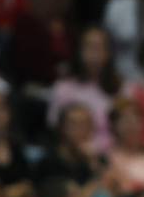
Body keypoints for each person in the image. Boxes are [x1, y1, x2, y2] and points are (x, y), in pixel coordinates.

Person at [47, 25, 120, 154]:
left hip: (114, 155)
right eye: (89, 47)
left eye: (99, 47)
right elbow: (56, 130)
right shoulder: (63, 88)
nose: (94, 53)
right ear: (79, 51)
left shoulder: (121, 89)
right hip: (75, 156)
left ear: (108, 53)